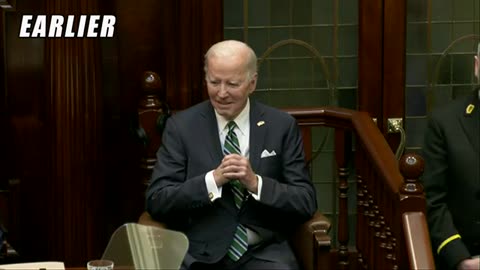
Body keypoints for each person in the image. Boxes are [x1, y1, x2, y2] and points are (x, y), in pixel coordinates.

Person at [145, 40, 317, 270]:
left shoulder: (280, 126)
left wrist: (255, 183)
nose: (222, 93)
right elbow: (157, 200)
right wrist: (212, 181)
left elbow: (305, 201)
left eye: (233, 84)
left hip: (263, 253)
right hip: (200, 255)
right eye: (214, 82)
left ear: (252, 83)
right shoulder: (181, 127)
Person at [422, 43, 480, 270]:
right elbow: (433, 200)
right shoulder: (444, 123)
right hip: (467, 257)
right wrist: (461, 260)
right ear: (477, 66)